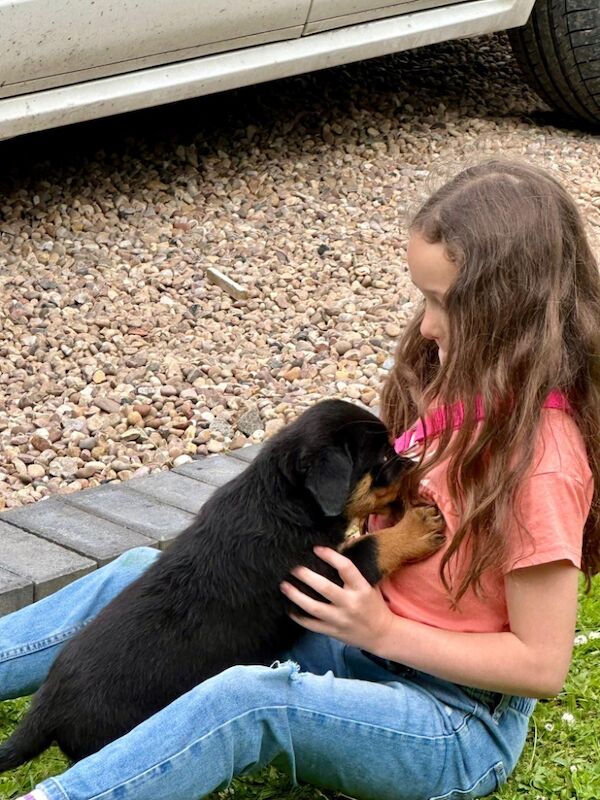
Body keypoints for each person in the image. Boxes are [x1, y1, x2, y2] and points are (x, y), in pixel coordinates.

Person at [2, 158, 599, 800]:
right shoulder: (457, 389)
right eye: (422, 297)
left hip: (451, 721)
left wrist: (385, 631)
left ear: (506, 311)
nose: (424, 325)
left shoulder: (543, 463)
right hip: (354, 643)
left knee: (249, 699)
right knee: (139, 576)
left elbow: (541, 665)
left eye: (441, 303)